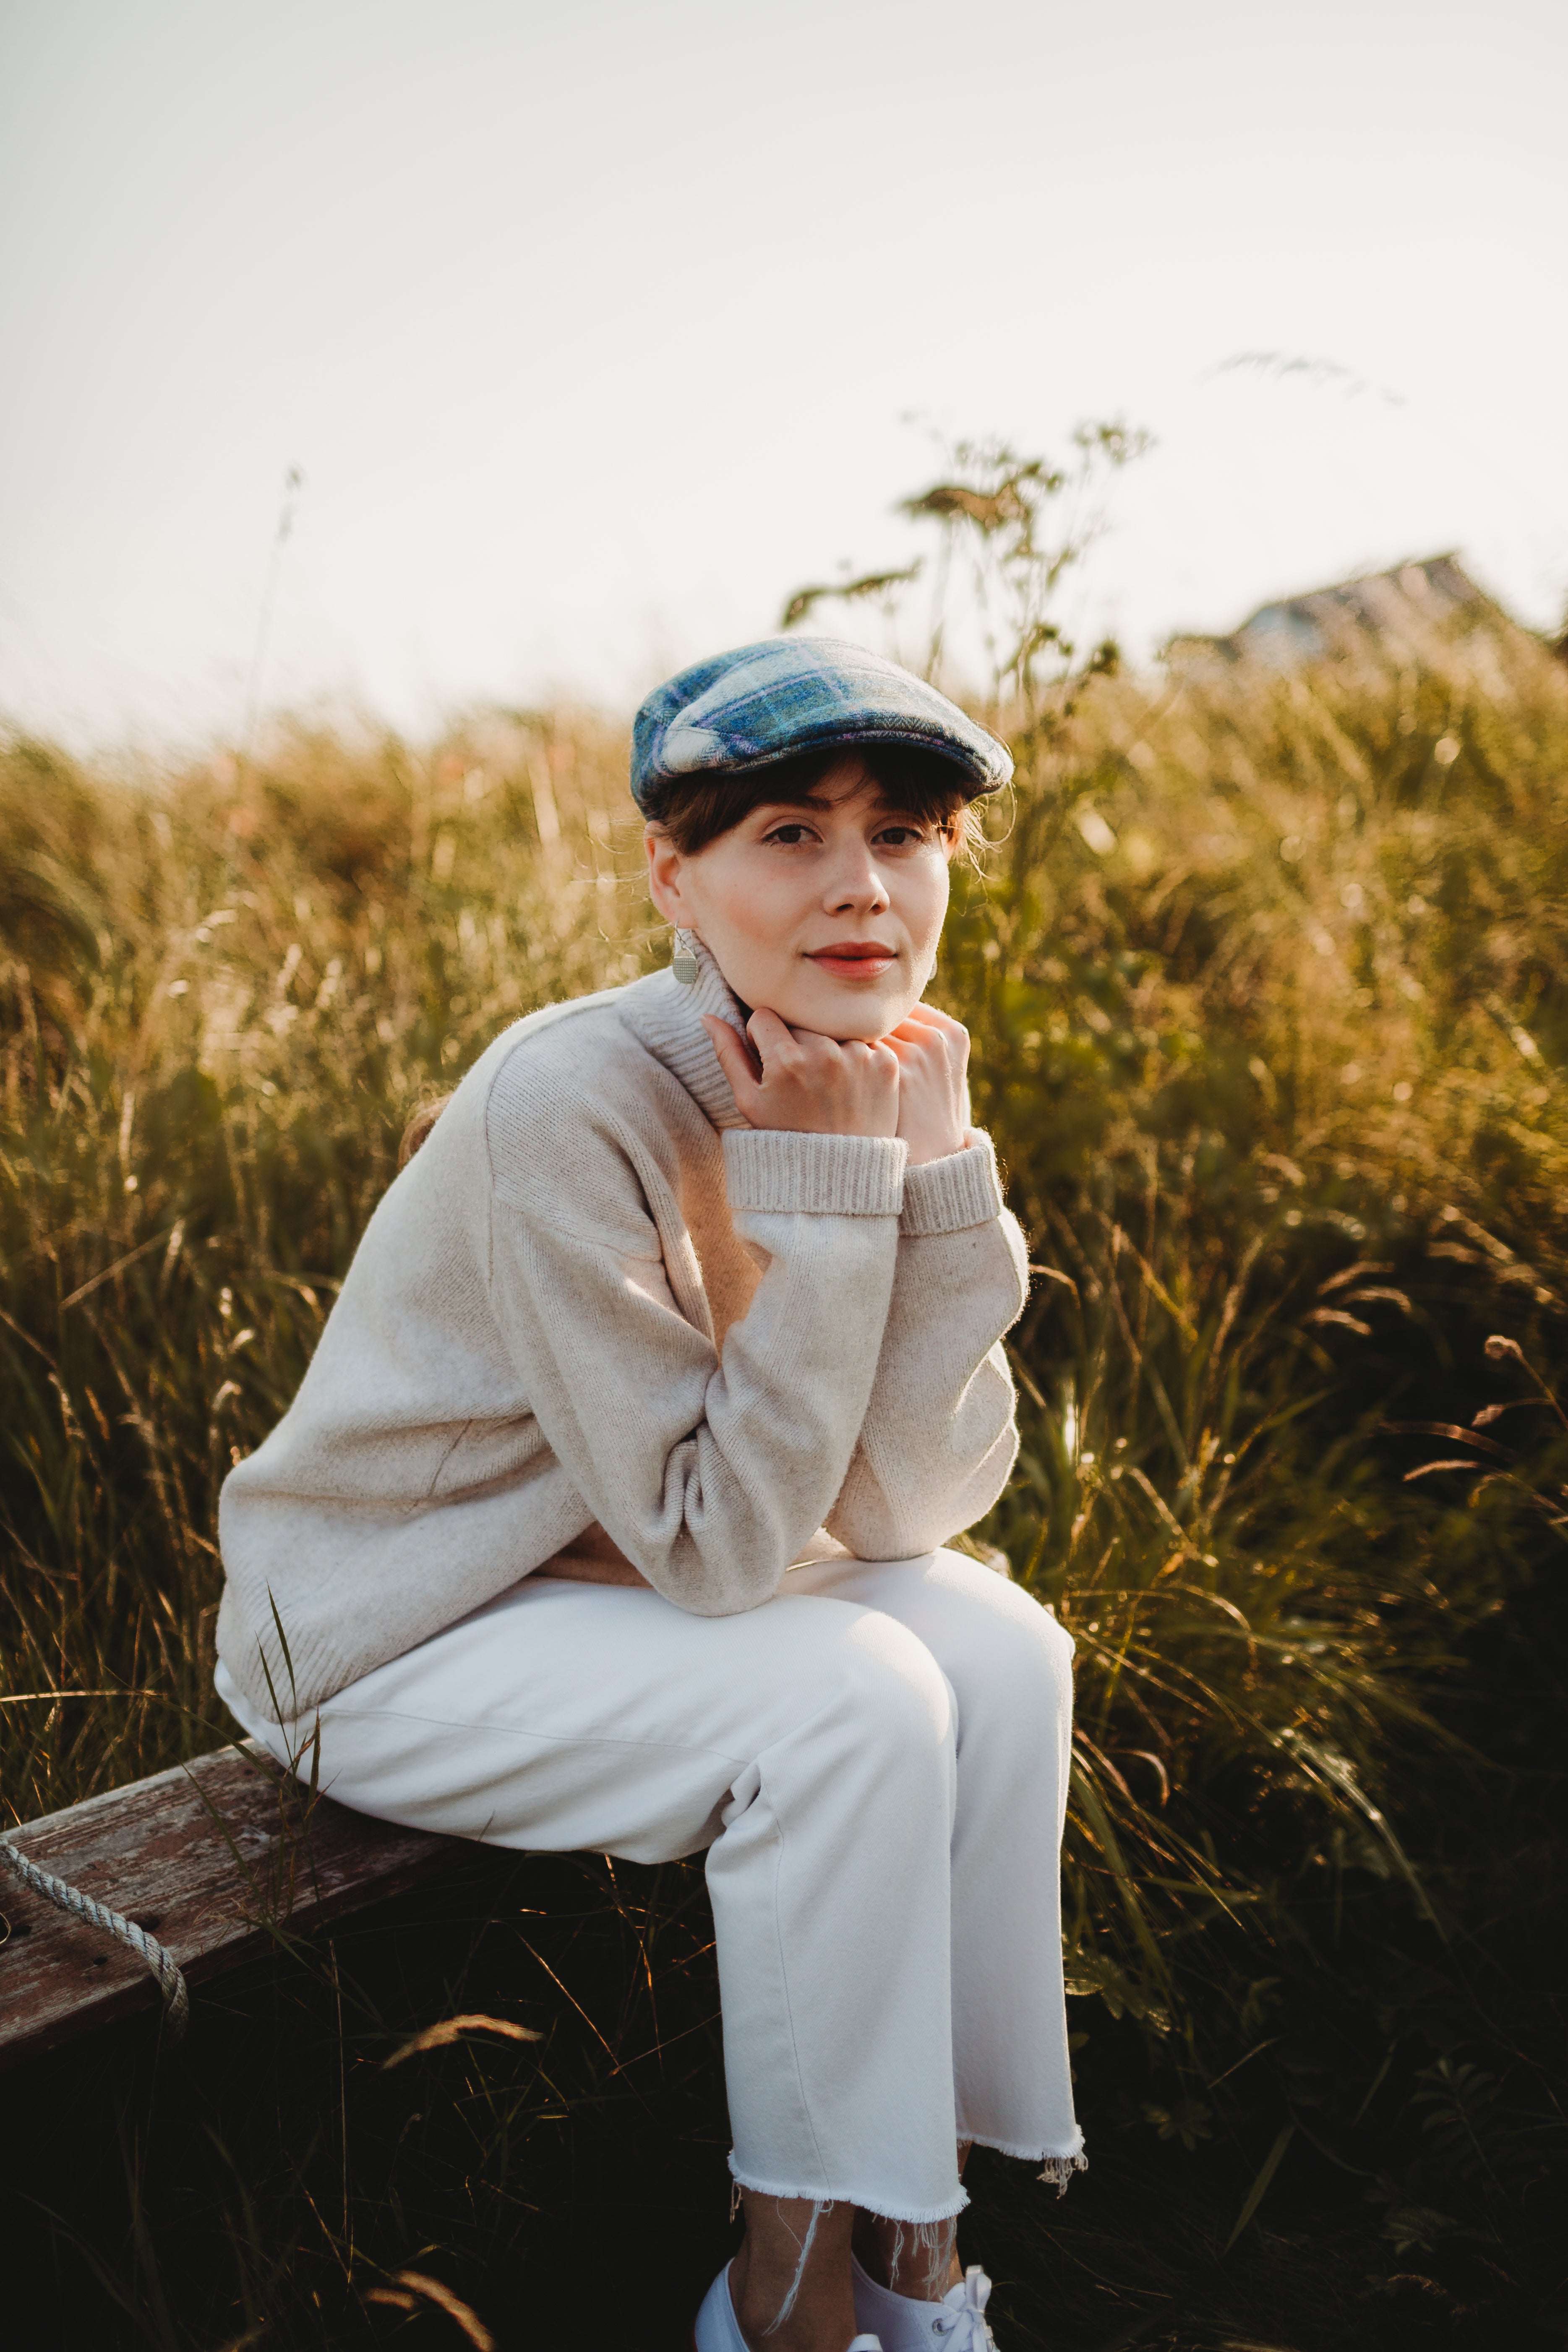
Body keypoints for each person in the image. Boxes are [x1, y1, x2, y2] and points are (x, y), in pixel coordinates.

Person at [213, 637, 1085, 2352]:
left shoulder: (876, 1060)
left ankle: (921, 2248)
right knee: (848, 1705)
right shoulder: (575, 1092)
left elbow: (911, 1504)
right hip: (390, 1625)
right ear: (669, 871)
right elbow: (715, 1549)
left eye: (903, 835)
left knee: (998, 1648)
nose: (860, 887)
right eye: (787, 832)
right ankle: (789, 2304)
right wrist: (838, 1202)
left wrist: (931, 1178)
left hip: (606, 1568)